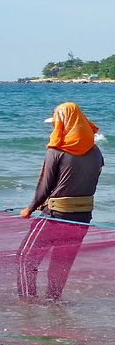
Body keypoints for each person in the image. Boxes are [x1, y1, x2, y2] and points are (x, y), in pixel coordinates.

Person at [17, 102, 104, 299]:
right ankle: (54, 304)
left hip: (54, 216)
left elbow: (44, 187)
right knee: (61, 264)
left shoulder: (56, 151)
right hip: (82, 219)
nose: (54, 128)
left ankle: (28, 304)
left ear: (64, 124)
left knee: (24, 259)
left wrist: (29, 208)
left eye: (56, 124)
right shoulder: (96, 152)